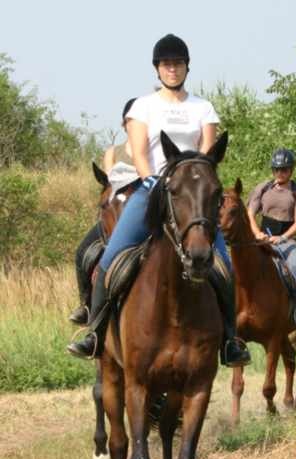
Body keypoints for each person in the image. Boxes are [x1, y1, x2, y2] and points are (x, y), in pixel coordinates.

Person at [67, 34, 251, 367]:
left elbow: (207, 155)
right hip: (152, 189)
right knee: (111, 256)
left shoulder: (203, 108)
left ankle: (229, 341)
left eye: (177, 63)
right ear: (157, 68)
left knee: (223, 265)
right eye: (166, 64)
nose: (172, 69)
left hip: (192, 197)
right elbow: (139, 152)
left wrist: (195, 182)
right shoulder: (143, 106)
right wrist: (151, 179)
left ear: (187, 67)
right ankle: (95, 333)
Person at [69, 98, 138, 325]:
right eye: (130, 120)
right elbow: (111, 183)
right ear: (124, 124)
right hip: (115, 212)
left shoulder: (151, 152)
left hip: (140, 211)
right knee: (82, 252)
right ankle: (86, 305)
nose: (134, 125)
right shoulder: (113, 152)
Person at [247, 148, 296, 325]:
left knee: (295, 266)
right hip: (262, 238)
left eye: (284, 169)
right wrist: (257, 233)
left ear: (291, 170)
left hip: (286, 239)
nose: (280, 173)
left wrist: (282, 237)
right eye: (276, 169)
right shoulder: (263, 188)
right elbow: (250, 213)